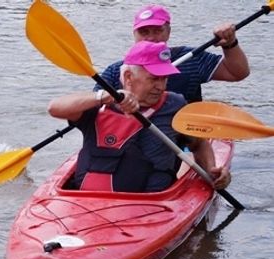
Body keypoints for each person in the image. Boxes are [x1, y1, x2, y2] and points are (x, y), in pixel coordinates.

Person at [50, 40, 230, 193]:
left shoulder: (175, 106)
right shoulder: (101, 103)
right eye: (154, 79)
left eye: (164, 78)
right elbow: (55, 108)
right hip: (84, 202)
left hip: (152, 206)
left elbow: (199, 145)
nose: (161, 86)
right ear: (128, 77)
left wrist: (212, 170)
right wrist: (103, 96)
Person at [96, 4, 250, 103]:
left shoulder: (190, 58)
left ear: (168, 32)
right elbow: (89, 107)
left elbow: (237, 73)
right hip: (133, 137)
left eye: (157, 31)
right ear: (134, 34)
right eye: (144, 32)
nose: (150, 38)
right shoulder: (116, 71)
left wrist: (230, 44)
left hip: (187, 139)